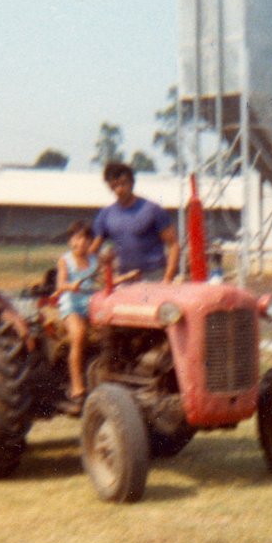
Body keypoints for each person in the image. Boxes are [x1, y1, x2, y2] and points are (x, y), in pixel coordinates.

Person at [90, 162, 180, 283]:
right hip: (124, 278)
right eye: (114, 186)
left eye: (123, 184)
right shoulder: (106, 215)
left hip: (153, 276)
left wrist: (168, 278)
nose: (119, 189)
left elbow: (173, 244)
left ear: (132, 183)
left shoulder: (152, 210)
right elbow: (92, 250)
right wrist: (103, 262)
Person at [55, 220, 107, 411]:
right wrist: (71, 285)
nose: (82, 243)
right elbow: (60, 285)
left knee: (110, 333)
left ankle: (105, 377)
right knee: (79, 334)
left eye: (86, 238)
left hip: (92, 303)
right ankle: (77, 387)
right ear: (71, 241)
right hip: (72, 304)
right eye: (77, 238)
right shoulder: (65, 260)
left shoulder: (96, 259)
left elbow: (105, 279)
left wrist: (124, 278)